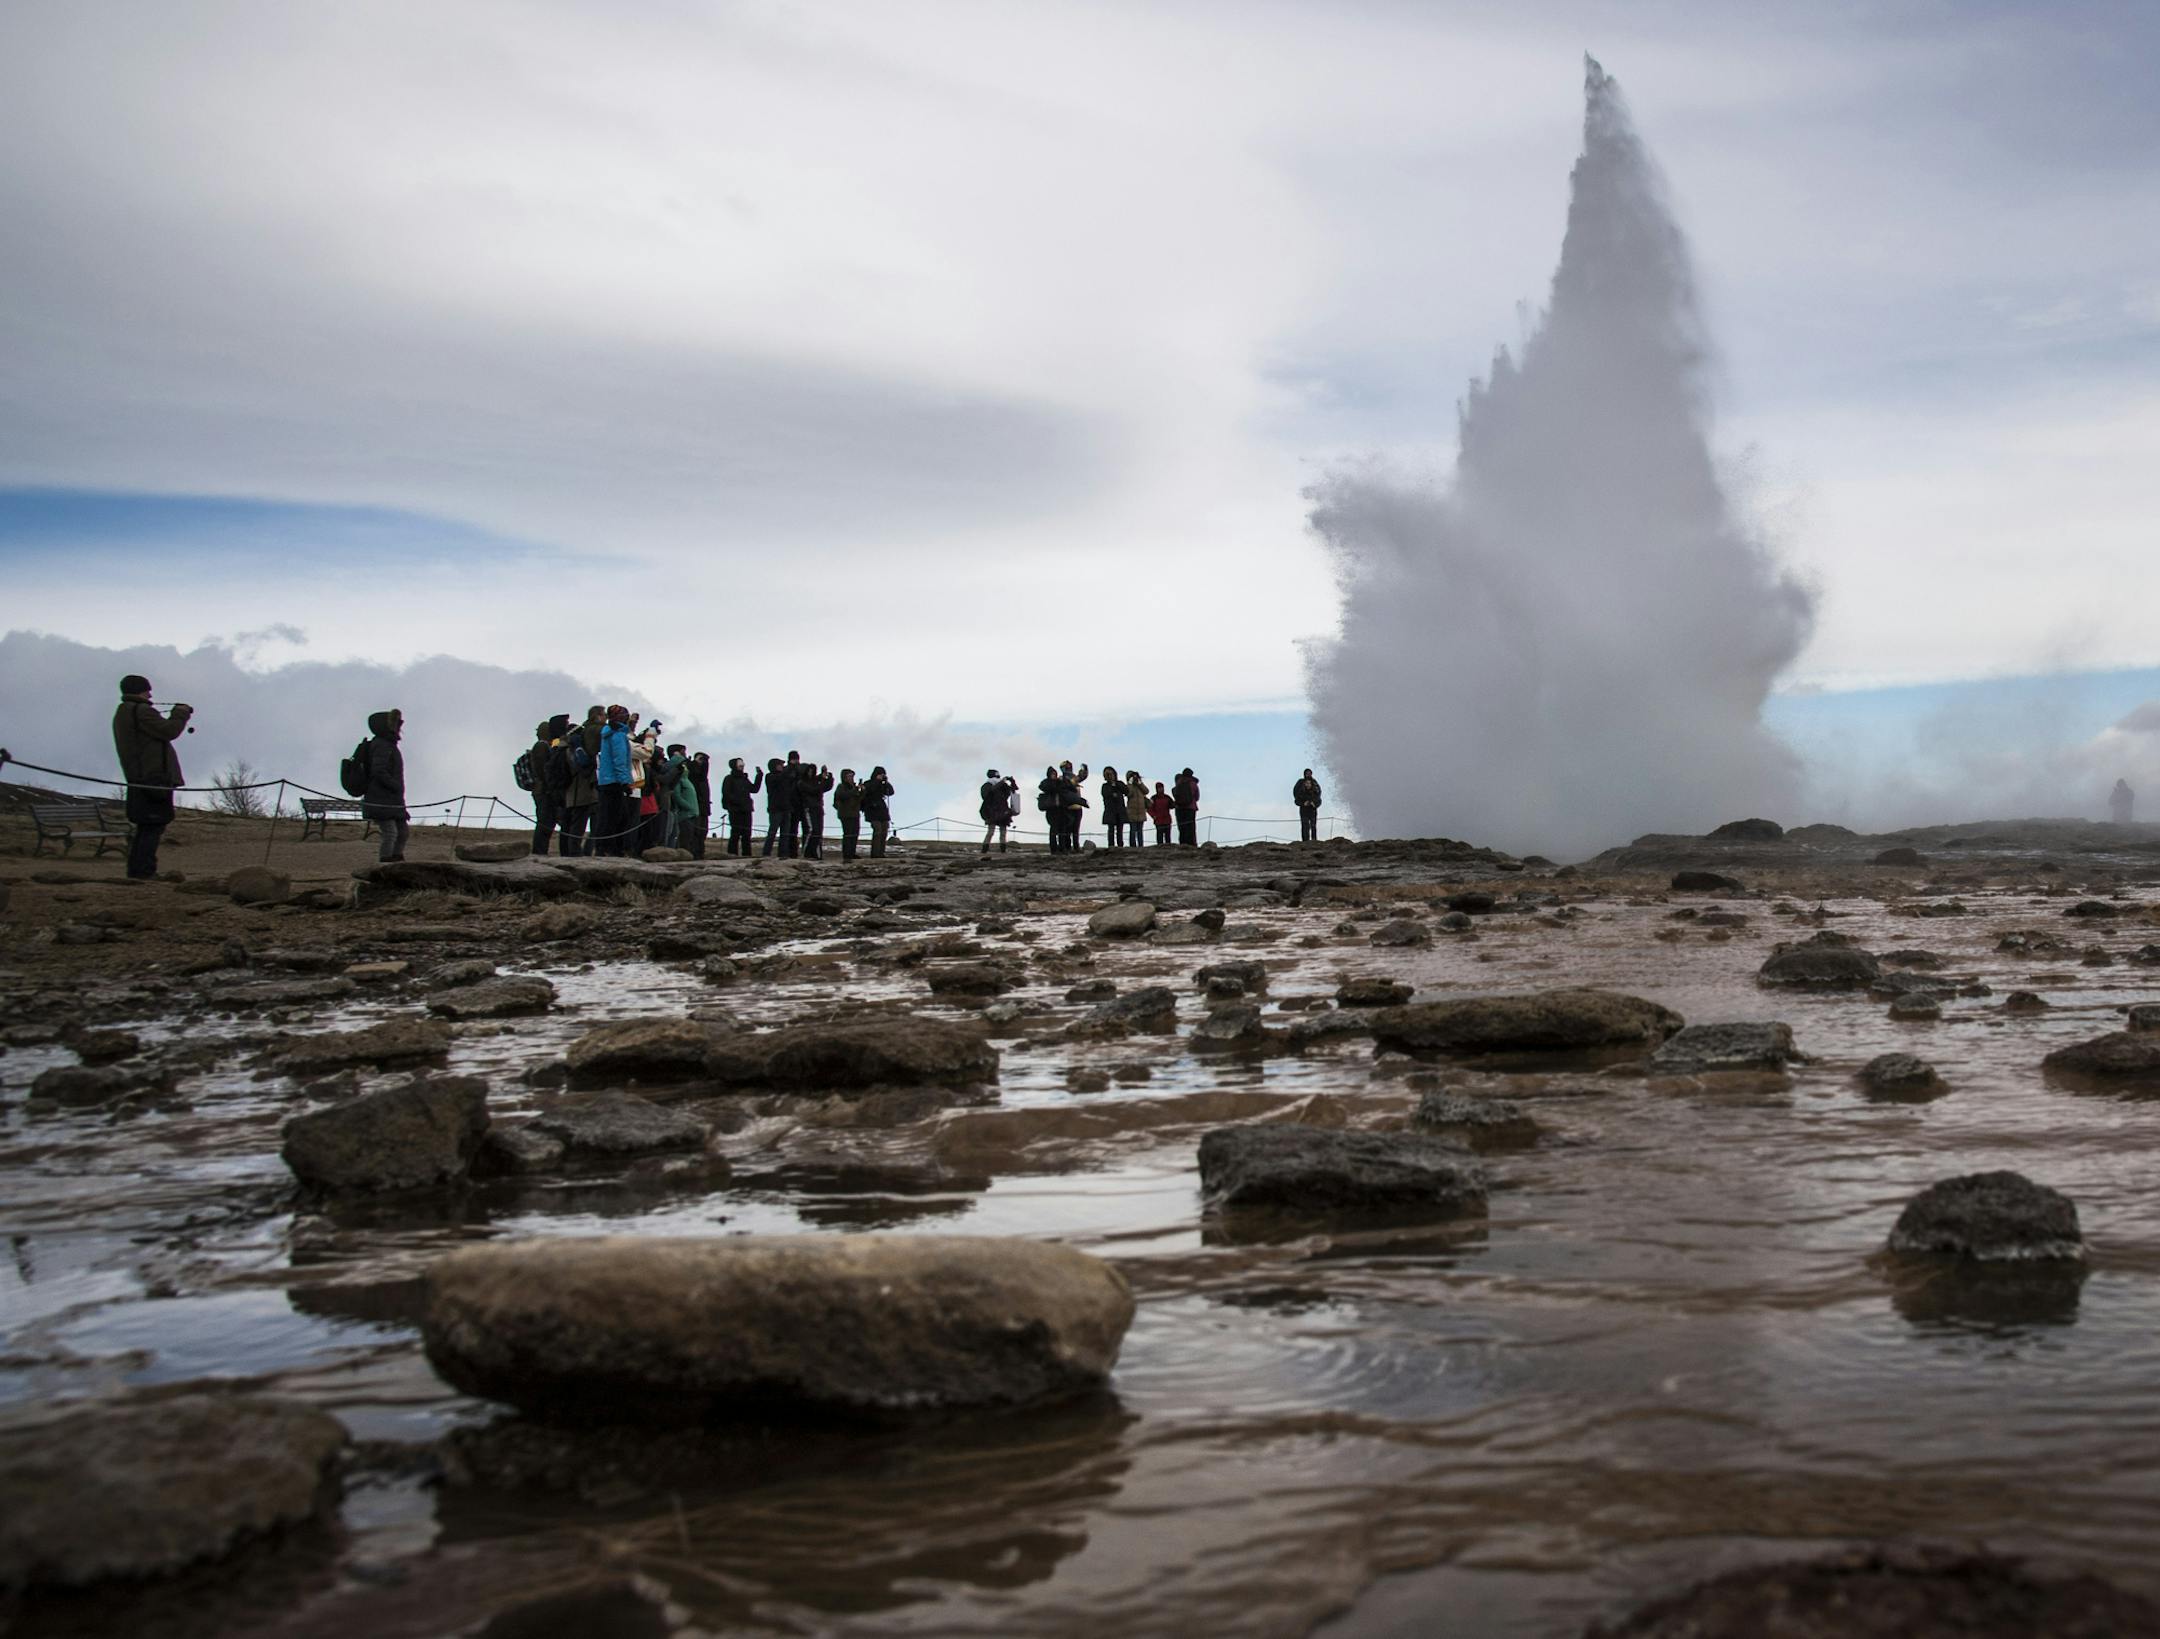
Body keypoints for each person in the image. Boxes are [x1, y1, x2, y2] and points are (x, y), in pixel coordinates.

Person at [111, 674, 192, 880]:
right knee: (153, 825)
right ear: (140, 690)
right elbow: (169, 731)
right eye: (147, 689)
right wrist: (180, 714)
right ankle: (144, 871)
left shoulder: (124, 712)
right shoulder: (141, 711)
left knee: (147, 826)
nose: (150, 694)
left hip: (140, 776)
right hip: (152, 778)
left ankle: (139, 870)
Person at [361, 709, 409, 862]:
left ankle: (397, 859)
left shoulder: (389, 744)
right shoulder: (382, 745)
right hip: (381, 798)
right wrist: (394, 785)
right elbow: (378, 770)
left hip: (392, 799)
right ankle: (386, 863)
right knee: (390, 833)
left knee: (403, 832)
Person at [559, 706, 602, 855]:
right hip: (581, 790)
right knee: (579, 825)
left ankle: (576, 852)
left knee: (577, 825)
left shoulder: (566, 749)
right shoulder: (573, 750)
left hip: (575, 791)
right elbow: (577, 768)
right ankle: (576, 853)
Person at [594, 705, 635, 856]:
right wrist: (625, 782)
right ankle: (611, 849)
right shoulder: (617, 735)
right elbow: (619, 761)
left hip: (606, 780)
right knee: (617, 818)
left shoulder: (609, 733)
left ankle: (604, 848)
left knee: (607, 816)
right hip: (614, 781)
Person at [722, 757, 761, 855]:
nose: (742, 765)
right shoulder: (729, 778)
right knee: (735, 832)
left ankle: (747, 854)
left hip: (746, 809)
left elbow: (754, 789)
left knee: (747, 834)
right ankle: (732, 854)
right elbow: (726, 793)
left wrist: (759, 776)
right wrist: (738, 801)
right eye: (739, 764)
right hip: (735, 810)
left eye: (742, 763)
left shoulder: (744, 779)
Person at [795, 757, 834, 859]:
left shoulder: (816, 781)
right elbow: (813, 790)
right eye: (809, 771)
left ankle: (816, 854)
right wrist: (822, 780)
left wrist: (828, 777)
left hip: (818, 807)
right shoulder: (801, 783)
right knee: (812, 830)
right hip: (809, 808)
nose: (811, 773)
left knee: (818, 831)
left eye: (813, 771)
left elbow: (827, 787)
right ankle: (807, 853)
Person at [666, 744, 700, 851]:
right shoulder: (679, 779)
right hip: (685, 814)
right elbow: (677, 796)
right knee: (685, 839)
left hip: (691, 813)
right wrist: (689, 807)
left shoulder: (686, 780)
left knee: (691, 838)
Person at [980, 769, 1018, 854]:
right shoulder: (987, 785)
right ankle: (984, 850)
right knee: (991, 832)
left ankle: (1002, 850)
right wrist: (1002, 782)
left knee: (1003, 832)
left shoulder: (1002, 785)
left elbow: (1013, 790)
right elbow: (989, 793)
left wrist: (1012, 781)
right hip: (992, 810)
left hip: (1003, 810)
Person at [762, 756, 793, 856]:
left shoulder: (784, 777)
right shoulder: (770, 776)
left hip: (786, 808)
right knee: (772, 832)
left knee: (785, 833)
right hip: (775, 809)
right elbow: (779, 779)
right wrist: (788, 769)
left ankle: (783, 853)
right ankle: (766, 853)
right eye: (780, 765)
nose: (782, 767)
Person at [862, 765, 894, 857]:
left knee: (884, 830)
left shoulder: (882, 785)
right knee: (877, 830)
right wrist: (877, 781)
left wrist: (886, 782)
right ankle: (875, 853)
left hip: (882, 810)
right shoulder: (868, 783)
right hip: (872, 810)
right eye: (880, 774)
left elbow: (890, 792)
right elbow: (870, 790)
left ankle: (881, 852)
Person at [833, 768, 863, 861]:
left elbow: (859, 799)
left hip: (855, 813)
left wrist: (862, 791)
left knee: (855, 833)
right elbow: (843, 796)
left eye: (852, 776)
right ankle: (847, 854)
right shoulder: (841, 787)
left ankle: (852, 852)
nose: (851, 778)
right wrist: (854, 790)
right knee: (848, 834)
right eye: (849, 776)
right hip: (845, 814)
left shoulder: (853, 787)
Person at [687, 752, 713, 859]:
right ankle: (694, 853)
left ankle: (700, 853)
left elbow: (703, 774)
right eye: (701, 759)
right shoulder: (692, 772)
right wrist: (694, 762)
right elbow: (695, 773)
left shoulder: (704, 779)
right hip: (695, 805)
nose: (703, 762)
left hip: (704, 806)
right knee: (695, 832)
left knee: (703, 831)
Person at [1100, 765, 1127, 849]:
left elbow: (1126, 791)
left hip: (1120, 810)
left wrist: (1115, 783)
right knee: (1111, 829)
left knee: (1120, 829)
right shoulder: (1105, 786)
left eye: (1111, 774)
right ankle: (1111, 845)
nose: (1109, 776)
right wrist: (1112, 789)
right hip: (1110, 810)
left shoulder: (1119, 783)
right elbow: (1106, 794)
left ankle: (1120, 845)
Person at [1037, 765, 1063, 852]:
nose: (1054, 775)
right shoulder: (1046, 783)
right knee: (1053, 828)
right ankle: (1053, 848)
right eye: (1052, 774)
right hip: (1051, 808)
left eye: (1055, 774)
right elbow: (1044, 787)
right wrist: (1053, 783)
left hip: (1059, 807)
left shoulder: (1059, 782)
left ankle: (1062, 847)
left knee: (1061, 829)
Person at [1293, 768, 1323, 843]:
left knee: (1313, 825)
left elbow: (1319, 797)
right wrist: (1303, 803)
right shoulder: (1300, 784)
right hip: (1304, 809)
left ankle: (1314, 841)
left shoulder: (1315, 784)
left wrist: (1314, 804)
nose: (1308, 775)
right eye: (1307, 773)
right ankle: (1305, 842)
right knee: (1305, 825)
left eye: (1309, 773)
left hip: (1312, 809)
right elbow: (1296, 796)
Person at [1173, 767, 1200, 847]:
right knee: (1190, 828)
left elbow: (1175, 793)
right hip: (1190, 808)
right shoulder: (1193, 783)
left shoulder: (1179, 782)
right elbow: (1197, 797)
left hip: (1179, 808)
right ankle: (1191, 844)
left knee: (1181, 828)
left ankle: (1182, 844)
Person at [1124, 769, 1147, 848]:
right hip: (1132, 812)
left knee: (1140, 831)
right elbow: (1129, 793)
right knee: (1133, 830)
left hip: (1141, 811)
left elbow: (1146, 791)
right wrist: (1130, 783)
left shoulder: (1139, 786)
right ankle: (1132, 845)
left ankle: (1141, 845)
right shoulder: (1128, 786)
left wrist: (1139, 782)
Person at [1147, 780, 1172, 846]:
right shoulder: (1153, 798)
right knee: (1159, 837)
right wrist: (1153, 816)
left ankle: (1168, 848)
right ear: (1156, 789)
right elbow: (1149, 808)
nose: (1161, 789)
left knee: (1168, 837)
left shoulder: (1167, 797)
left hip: (1167, 819)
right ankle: (1160, 847)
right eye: (1159, 788)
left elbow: (1172, 805)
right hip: (1158, 820)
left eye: (1161, 787)